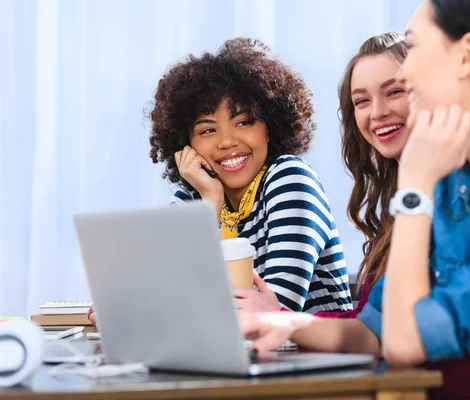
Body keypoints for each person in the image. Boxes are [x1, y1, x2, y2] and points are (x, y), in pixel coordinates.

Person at [240, 1, 470, 398]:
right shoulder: (454, 187)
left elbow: (404, 343)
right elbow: (375, 329)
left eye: (414, 49)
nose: (406, 70)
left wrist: (413, 187)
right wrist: (287, 325)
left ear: (465, 56)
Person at [88, 38, 352, 325]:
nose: (227, 142)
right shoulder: (196, 195)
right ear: (186, 144)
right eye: (208, 130)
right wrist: (209, 204)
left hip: (315, 363)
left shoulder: (290, 179)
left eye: (243, 122)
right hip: (243, 361)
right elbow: (162, 292)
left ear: (269, 128)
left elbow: (272, 310)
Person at [313, 32, 470, 400]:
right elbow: (374, 323)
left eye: (394, 91)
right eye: (361, 101)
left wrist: (286, 323)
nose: (377, 111)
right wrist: (280, 321)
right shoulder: (401, 207)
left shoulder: (460, 196)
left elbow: (392, 337)